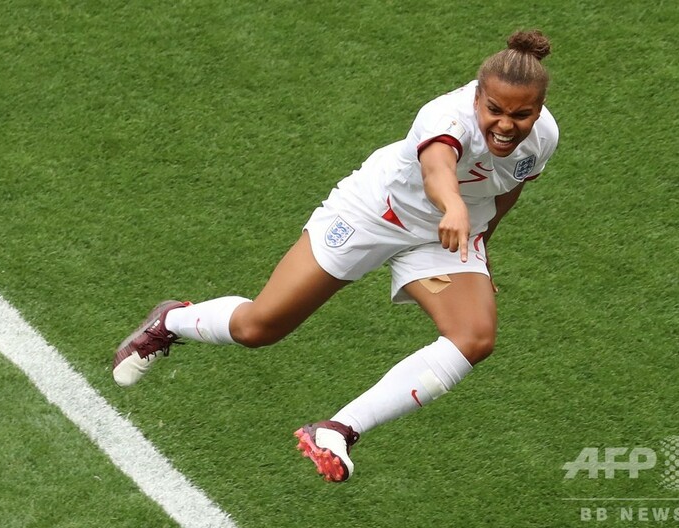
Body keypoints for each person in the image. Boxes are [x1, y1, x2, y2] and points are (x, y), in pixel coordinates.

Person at [113, 29, 559, 482]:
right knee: (259, 327)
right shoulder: (446, 117)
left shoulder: (544, 137)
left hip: (442, 238)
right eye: (495, 110)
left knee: (475, 338)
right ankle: (170, 321)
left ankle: (338, 430)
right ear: (476, 96)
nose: (506, 125)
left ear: (538, 110)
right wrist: (456, 207)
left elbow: (508, 189)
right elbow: (437, 169)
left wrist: (481, 243)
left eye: (521, 115)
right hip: (373, 213)